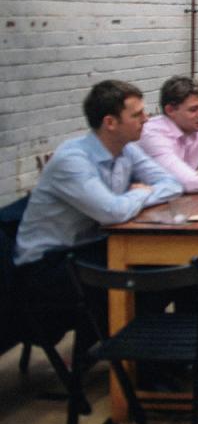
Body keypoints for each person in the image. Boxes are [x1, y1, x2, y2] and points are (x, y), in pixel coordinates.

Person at [14, 81, 183, 323]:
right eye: (137, 114)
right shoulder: (72, 160)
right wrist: (140, 193)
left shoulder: (126, 149)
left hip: (93, 247)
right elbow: (112, 213)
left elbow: (172, 184)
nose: (146, 118)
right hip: (49, 266)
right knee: (164, 273)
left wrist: (137, 195)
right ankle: (137, 351)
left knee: (183, 261)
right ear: (110, 123)